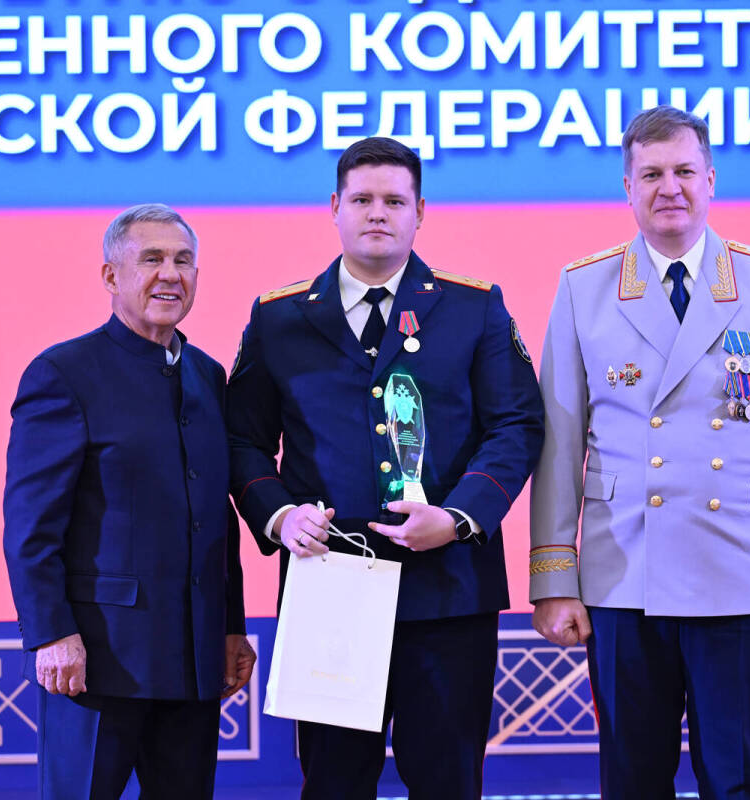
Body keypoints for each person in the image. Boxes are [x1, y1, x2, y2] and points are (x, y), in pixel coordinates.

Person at [529, 106, 750, 800]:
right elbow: (559, 442)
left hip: (740, 572)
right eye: (651, 175)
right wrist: (553, 577)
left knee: (734, 780)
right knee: (632, 781)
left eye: (683, 172)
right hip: (622, 576)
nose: (668, 188)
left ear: (710, 180)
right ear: (627, 187)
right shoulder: (584, 287)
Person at [227, 136, 544, 800]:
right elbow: (241, 440)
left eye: (395, 201)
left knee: (448, 782)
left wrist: (459, 517)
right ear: (334, 207)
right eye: (362, 199)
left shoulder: (473, 307)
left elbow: (516, 424)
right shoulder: (278, 318)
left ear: (420, 211)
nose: (378, 213)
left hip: (449, 591)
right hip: (328, 587)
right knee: (334, 784)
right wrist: (279, 516)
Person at [3, 203, 255, 799]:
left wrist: (229, 628)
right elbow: (32, 528)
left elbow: (214, 515)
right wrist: (51, 634)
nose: (170, 274)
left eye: (183, 261)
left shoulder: (207, 375)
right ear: (111, 276)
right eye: (152, 259)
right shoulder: (63, 373)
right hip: (95, 662)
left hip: (193, 662)